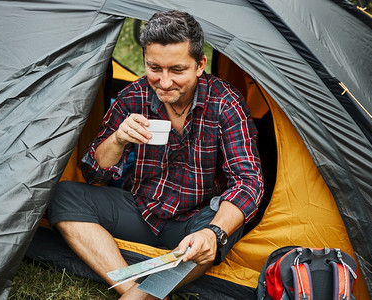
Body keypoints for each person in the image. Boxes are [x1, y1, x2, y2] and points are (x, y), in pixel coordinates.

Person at [48, 10, 263, 299]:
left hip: (194, 220)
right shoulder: (132, 98)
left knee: (227, 224)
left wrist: (213, 233)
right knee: (62, 194)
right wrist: (118, 139)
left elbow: (249, 183)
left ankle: (144, 291)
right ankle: (134, 291)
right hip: (140, 210)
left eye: (177, 70)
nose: (164, 82)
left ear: (200, 65)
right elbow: (92, 173)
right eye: (154, 68)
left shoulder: (225, 103)